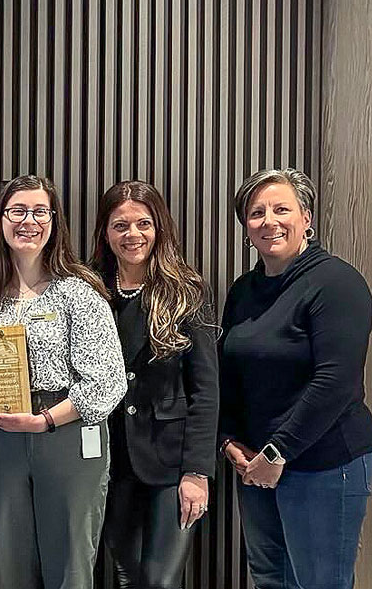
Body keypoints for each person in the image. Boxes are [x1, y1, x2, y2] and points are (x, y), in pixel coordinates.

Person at [0, 174, 126, 589]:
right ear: (0, 220)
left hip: (68, 435)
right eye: (17, 210)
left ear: (54, 222)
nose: (28, 221)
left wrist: (45, 420)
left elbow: (108, 380)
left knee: (70, 564)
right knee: (9, 563)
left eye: (39, 211)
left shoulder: (79, 291)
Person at [219, 169, 372, 589]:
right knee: (271, 579)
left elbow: (336, 382)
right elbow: (229, 372)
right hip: (256, 468)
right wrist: (229, 439)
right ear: (246, 228)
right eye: (256, 212)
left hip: (323, 465)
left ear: (306, 217)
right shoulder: (243, 290)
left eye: (281, 209)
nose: (269, 220)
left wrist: (277, 453)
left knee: (319, 582)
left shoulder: (337, 283)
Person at [91, 181, 219, 589]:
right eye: (120, 225)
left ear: (159, 227)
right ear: (105, 232)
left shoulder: (185, 290)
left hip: (170, 462)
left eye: (143, 223)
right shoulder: (90, 291)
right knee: (126, 575)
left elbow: (205, 389)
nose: (133, 235)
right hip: (108, 460)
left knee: (159, 582)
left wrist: (197, 471)